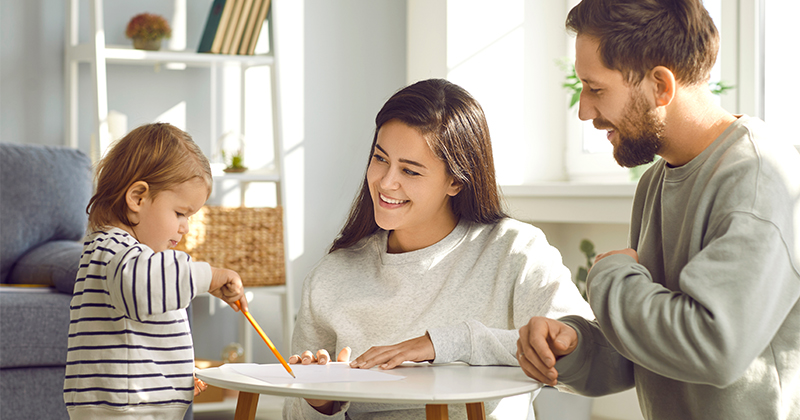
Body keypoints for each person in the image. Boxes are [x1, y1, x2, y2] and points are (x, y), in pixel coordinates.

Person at [516, 1, 800, 419]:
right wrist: (572, 347)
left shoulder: (758, 180)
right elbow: (649, 350)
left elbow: (713, 347)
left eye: (596, 89)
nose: (584, 111)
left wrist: (609, 277)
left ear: (661, 86)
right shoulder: (656, 182)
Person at [283, 78, 594, 420]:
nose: (386, 182)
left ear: (456, 181)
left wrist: (447, 343)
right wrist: (319, 401)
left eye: (410, 171)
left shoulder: (515, 252)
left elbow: (583, 354)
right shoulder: (331, 278)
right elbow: (294, 416)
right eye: (380, 158)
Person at [63, 123, 248, 419]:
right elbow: (145, 285)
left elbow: (142, 335)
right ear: (137, 198)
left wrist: (175, 377)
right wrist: (209, 275)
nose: (185, 227)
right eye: (180, 213)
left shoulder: (131, 256)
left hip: (136, 403)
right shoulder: (116, 251)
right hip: (126, 409)